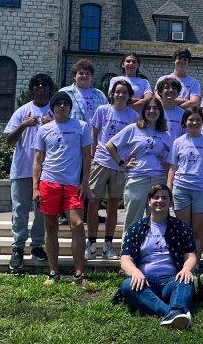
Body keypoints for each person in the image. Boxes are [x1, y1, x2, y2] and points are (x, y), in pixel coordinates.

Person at [32, 91, 93, 286]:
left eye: (65, 103)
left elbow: (86, 157)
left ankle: (79, 274)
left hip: (73, 184)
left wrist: (85, 182)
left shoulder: (81, 127)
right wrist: (35, 187)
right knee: (51, 228)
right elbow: (38, 160)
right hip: (49, 183)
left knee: (76, 225)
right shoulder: (44, 129)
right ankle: (53, 272)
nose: (61, 107)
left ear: (70, 107)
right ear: (53, 107)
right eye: (58, 103)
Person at [119, 184, 197, 330]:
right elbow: (125, 259)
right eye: (156, 197)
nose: (160, 200)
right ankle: (172, 313)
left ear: (170, 202)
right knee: (127, 286)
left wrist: (186, 269)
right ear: (149, 201)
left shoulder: (181, 227)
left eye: (164, 198)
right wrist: (135, 272)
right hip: (144, 280)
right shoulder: (137, 228)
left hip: (171, 279)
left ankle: (169, 313)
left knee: (186, 281)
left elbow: (191, 255)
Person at [3, 73, 55, 271]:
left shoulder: (55, 111)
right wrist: (24, 125)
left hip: (47, 171)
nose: (40, 88)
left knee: (42, 211)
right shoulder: (22, 112)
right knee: (20, 211)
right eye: (36, 85)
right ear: (32, 88)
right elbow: (8, 141)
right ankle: (17, 248)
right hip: (22, 169)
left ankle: (37, 245)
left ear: (49, 89)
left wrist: (52, 124)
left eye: (44, 85)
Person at [86, 79, 139, 261]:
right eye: (117, 91)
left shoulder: (133, 116)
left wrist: (129, 159)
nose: (120, 95)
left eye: (124, 92)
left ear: (129, 95)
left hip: (120, 165)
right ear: (112, 93)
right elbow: (94, 133)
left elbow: (134, 139)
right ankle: (91, 244)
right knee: (94, 203)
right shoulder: (103, 110)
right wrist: (93, 154)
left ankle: (108, 245)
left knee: (113, 205)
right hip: (100, 161)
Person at [106, 99, 172, 226]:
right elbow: (110, 145)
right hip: (137, 179)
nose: (152, 111)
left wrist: (164, 161)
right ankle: (129, 246)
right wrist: (122, 164)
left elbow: (173, 157)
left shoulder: (165, 134)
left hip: (158, 179)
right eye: (148, 108)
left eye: (155, 108)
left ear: (160, 112)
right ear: (143, 111)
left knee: (156, 221)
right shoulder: (133, 129)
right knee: (133, 220)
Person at [168, 106, 203, 258]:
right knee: (183, 229)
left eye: (198, 120)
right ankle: (182, 260)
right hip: (181, 188)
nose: (194, 122)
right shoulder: (178, 142)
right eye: (191, 119)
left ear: (202, 122)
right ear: (185, 122)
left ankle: (195, 262)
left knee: (199, 230)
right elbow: (172, 167)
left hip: (202, 190)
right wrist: (169, 188)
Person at [58, 58, 107, 124]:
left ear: (92, 77)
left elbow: (107, 116)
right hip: (73, 132)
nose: (84, 76)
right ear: (75, 76)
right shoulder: (64, 93)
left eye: (87, 73)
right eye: (81, 73)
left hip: (95, 133)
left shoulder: (100, 95)